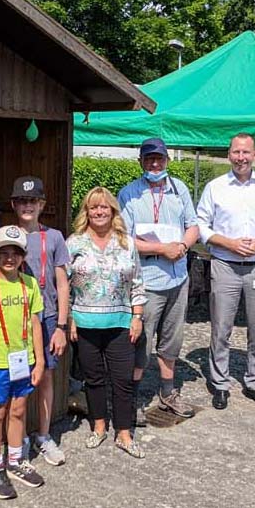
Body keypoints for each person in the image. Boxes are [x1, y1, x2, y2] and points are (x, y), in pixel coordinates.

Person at [196, 132, 255, 411]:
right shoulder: (215, 187)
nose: (241, 158)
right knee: (221, 327)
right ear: (229, 154)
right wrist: (229, 243)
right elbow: (201, 224)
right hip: (225, 264)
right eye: (236, 152)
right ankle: (220, 384)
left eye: (246, 152)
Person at [117, 138, 200, 422]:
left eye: (159, 159)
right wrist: (160, 249)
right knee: (141, 342)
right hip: (146, 281)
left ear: (167, 161)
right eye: (149, 159)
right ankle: (133, 399)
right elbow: (123, 239)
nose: (155, 164)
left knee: (172, 340)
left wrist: (183, 247)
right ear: (141, 162)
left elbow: (193, 226)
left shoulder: (180, 189)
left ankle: (168, 393)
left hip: (178, 278)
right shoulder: (129, 193)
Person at [67, 187, 146, 458]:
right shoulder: (74, 243)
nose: (99, 212)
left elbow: (137, 283)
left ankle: (124, 432)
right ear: (86, 212)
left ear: (113, 211)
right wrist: (69, 320)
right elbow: (65, 286)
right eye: (93, 207)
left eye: (104, 207)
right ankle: (98, 426)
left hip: (121, 323)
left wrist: (137, 317)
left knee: (122, 379)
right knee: (94, 379)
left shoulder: (127, 243)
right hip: (85, 322)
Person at [0, 225, 47, 499]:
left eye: (15, 252)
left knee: (18, 410)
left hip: (23, 361)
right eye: (4, 252)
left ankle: (15, 462)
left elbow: (36, 325)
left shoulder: (30, 284)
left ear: (23, 256)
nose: (9, 258)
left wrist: (38, 363)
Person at [6, 176, 70, 466]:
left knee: (45, 377)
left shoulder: (54, 237)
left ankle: (44, 435)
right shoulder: (6, 235)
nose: (27, 206)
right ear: (13, 204)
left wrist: (61, 326)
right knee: (17, 378)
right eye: (22, 200)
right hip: (15, 320)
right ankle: (17, 440)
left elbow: (62, 282)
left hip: (47, 319)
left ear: (42, 204)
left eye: (32, 201)